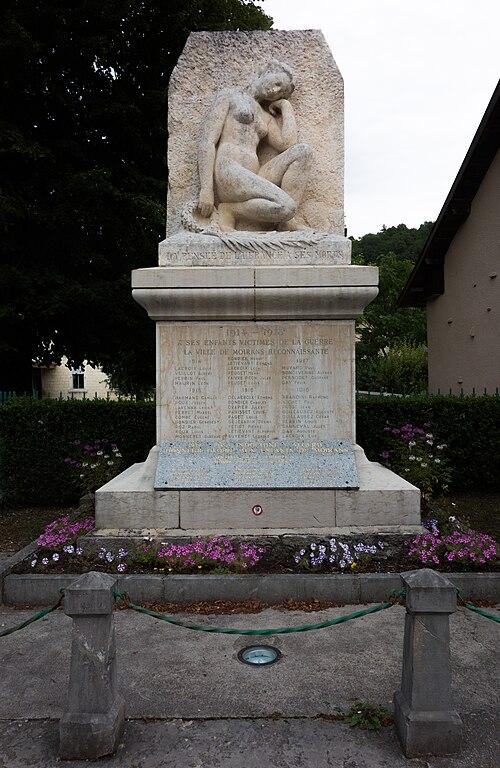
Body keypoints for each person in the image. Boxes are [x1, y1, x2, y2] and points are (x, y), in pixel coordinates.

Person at [197, 60, 312, 232]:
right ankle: (230, 210)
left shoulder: (266, 117)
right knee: (288, 207)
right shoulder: (229, 96)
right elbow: (207, 141)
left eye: (281, 92)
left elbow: (287, 144)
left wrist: (286, 106)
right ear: (265, 73)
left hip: (254, 176)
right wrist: (206, 188)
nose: (275, 91)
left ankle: (286, 222)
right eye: (277, 83)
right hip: (229, 170)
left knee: (303, 152)